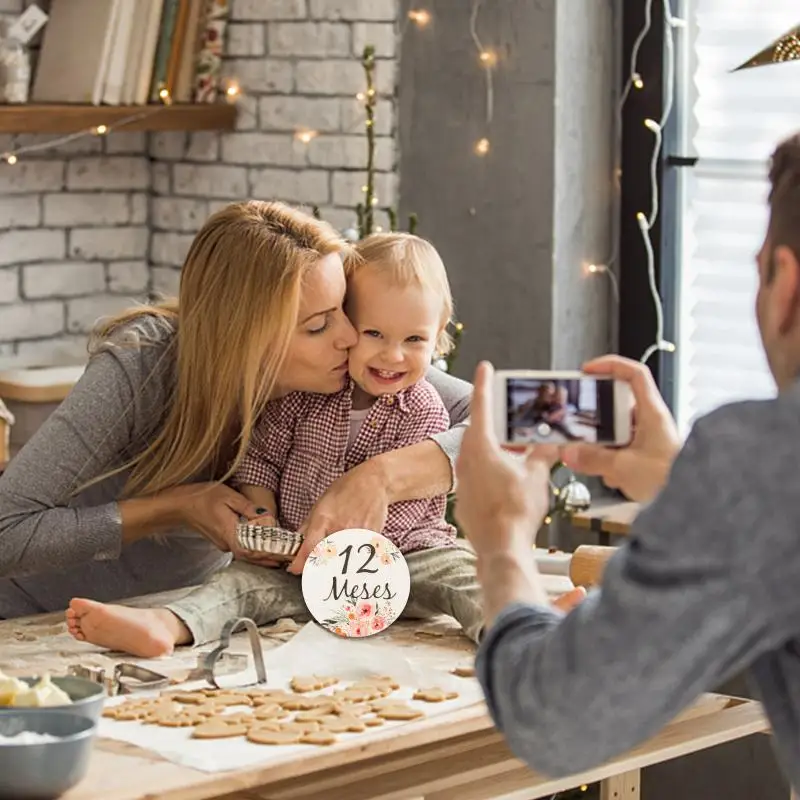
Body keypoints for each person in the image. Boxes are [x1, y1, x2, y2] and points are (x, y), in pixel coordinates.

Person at [454, 130, 800, 792]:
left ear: (785, 284)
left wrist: (501, 540)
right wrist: (682, 482)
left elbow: (556, 717)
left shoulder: (762, 461)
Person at [0, 201, 472, 620]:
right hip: (33, 625)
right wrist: (177, 507)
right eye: (318, 325)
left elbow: (525, 423)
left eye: (344, 312)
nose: (350, 337)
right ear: (247, 338)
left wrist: (379, 478)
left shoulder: (356, 363)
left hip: (179, 624)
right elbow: (8, 531)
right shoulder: (142, 367)